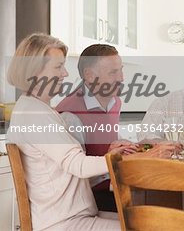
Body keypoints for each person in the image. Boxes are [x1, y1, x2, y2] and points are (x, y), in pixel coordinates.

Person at [6, 34, 122, 230]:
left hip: (68, 216)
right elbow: (78, 166)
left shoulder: (35, 109)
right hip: (64, 222)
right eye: (58, 67)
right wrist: (118, 158)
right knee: (143, 224)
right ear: (35, 70)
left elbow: (71, 174)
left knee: (140, 219)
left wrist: (112, 152)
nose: (65, 74)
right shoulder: (36, 114)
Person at [56, 44, 177, 211]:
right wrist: (131, 159)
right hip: (88, 201)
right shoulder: (70, 115)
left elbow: (106, 146)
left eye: (121, 70)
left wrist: (140, 146)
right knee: (161, 206)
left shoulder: (113, 101)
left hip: (112, 187)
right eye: (113, 72)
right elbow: (75, 178)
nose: (121, 78)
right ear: (89, 75)